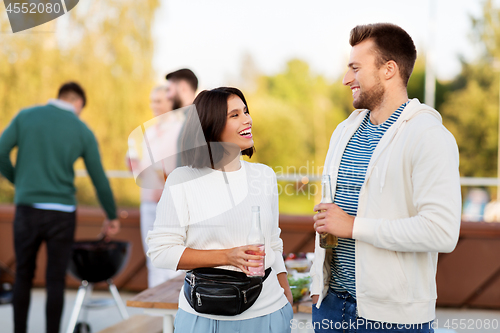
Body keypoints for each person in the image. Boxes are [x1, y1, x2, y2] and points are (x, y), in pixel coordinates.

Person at [310, 23, 461, 332]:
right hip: (331, 307)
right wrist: (317, 282)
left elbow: (442, 231)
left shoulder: (429, 136)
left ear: (389, 69)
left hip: (392, 320)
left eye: (355, 68)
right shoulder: (343, 132)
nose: (346, 78)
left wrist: (353, 227)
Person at [146, 87, 294, 333]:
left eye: (245, 111)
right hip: (202, 318)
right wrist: (227, 256)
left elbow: (273, 243)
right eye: (235, 115)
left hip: (269, 314)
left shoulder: (264, 176)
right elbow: (161, 252)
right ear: (211, 126)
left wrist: (284, 291)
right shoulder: (182, 179)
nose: (248, 119)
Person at [0, 82, 120, 333]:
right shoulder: (81, 129)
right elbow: (99, 179)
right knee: (55, 280)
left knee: (23, 274)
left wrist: (20, 181)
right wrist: (111, 215)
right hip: (62, 213)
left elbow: (1, 152)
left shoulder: (26, 117)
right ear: (78, 104)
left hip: (27, 209)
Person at [127, 85, 185, 287]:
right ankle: (155, 314)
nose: (154, 106)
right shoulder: (148, 132)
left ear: (171, 102)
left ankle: (174, 310)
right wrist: (134, 167)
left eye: (159, 101)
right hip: (149, 202)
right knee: (152, 257)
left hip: (171, 203)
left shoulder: (181, 130)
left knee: (172, 258)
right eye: (152, 101)